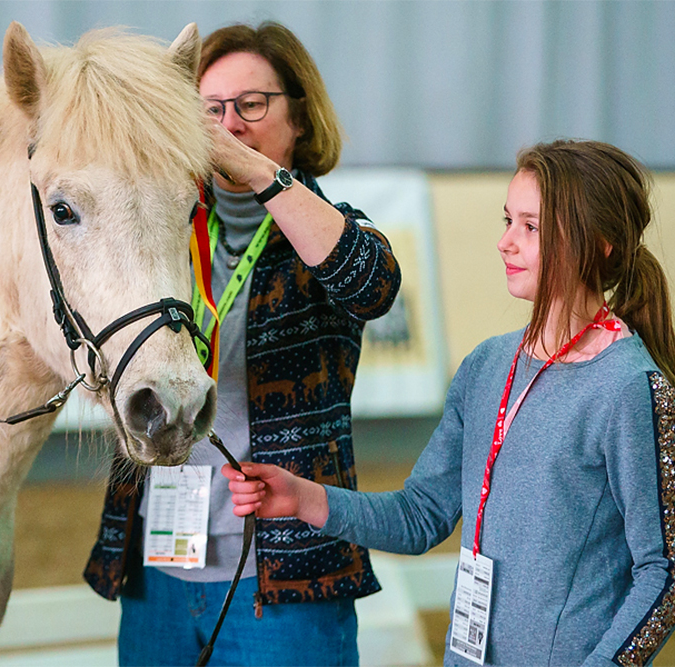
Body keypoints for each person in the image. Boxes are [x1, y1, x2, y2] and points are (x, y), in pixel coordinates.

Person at [223, 139, 675, 666]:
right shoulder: (486, 365)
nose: (506, 242)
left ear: (598, 244)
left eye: (531, 227)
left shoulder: (629, 387)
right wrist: (303, 498)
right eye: (508, 220)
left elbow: (662, 574)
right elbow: (420, 516)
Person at [84, 21, 401, 666]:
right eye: (209, 110)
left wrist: (257, 172)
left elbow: (373, 286)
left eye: (251, 106)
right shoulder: (161, 233)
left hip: (284, 579)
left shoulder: (326, 234)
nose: (229, 125)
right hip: (158, 573)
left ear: (301, 120)